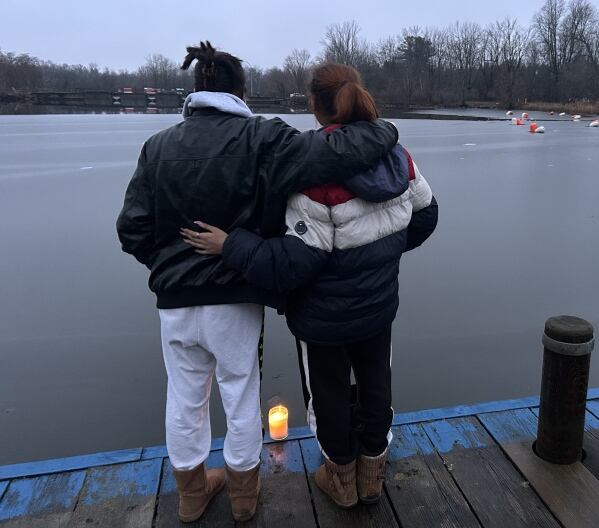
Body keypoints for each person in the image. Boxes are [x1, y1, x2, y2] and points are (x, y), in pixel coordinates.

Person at [116, 43, 398, 523]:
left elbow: (132, 230)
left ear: (196, 90)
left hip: (175, 303)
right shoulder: (262, 138)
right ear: (241, 90)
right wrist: (386, 128)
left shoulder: (157, 146)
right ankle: (245, 498)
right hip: (237, 291)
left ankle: (190, 494)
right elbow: (337, 151)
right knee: (240, 390)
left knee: (184, 396)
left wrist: (170, 266)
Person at [181, 63, 438, 509]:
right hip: (378, 305)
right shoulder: (399, 156)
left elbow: (296, 263)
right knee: (377, 383)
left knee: (329, 397)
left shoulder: (309, 174)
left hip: (322, 316)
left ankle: (340, 480)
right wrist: (377, 257)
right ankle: (372, 475)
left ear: (316, 106)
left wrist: (231, 245)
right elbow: (427, 215)